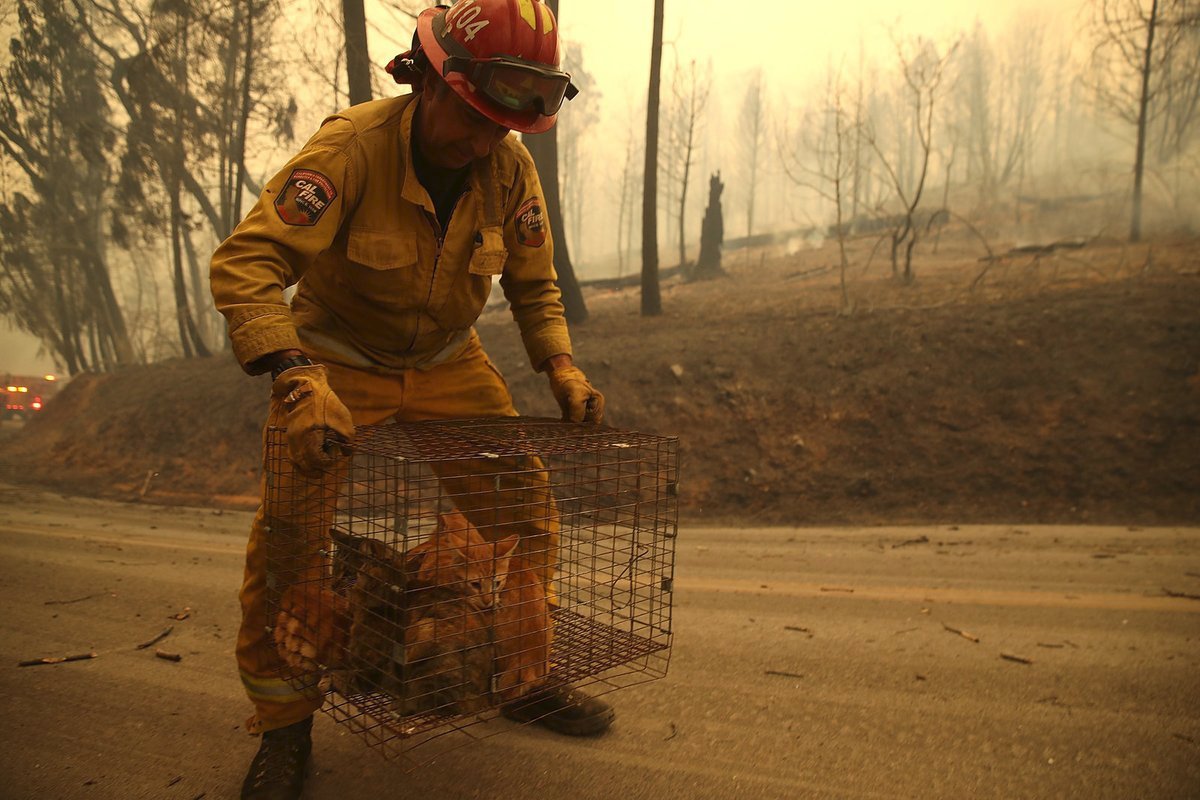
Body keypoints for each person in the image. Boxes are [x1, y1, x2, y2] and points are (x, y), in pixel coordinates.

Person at [209, 2, 611, 797]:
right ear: (426, 79)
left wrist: (560, 366)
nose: (485, 139)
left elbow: (534, 284)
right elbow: (248, 263)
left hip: (446, 360)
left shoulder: (508, 169)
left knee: (523, 511)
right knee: (291, 541)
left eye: (504, 125)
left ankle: (520, 675)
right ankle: (284, 731)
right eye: (472, 117)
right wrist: (296, 377)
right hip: (333, 359)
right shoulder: (350, 149)